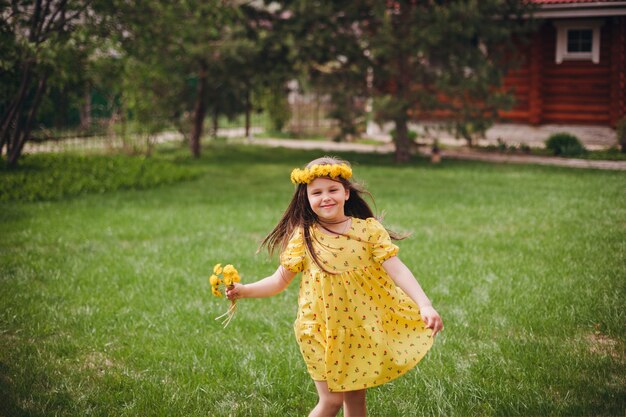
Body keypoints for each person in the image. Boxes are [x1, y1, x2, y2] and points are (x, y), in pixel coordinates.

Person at [226, 156, 443, 417]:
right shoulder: (304, 237)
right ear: (305, 197)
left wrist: (424, 303)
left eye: (332, 189)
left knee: (355, 402)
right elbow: (279, 280)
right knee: (330, 401)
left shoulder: (368, 231)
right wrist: (244, 289)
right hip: (319, 329)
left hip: (358, 330)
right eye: (316, 192)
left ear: (346, 192)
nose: (325, 197)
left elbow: (396, 268)